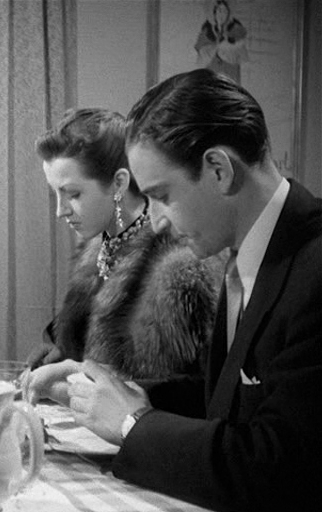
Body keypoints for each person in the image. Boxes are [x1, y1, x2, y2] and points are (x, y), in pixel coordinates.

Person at [29, 69, 322, 512]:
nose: (157, 222)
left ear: (219, 169)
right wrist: (111, 390)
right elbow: (223, 402)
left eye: (162, 196)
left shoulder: (313, 267)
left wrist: (132, 423)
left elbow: (281, 467)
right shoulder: (245, 257)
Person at [26, 109, 222, 416]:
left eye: (72, 194)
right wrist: (57, 357)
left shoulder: (183, 264)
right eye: (56, 195)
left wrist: (86, 379)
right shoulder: (97, 250)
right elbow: (76, 346)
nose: (60, 211)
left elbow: (205, 392)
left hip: (151, 437)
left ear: (119, 183)